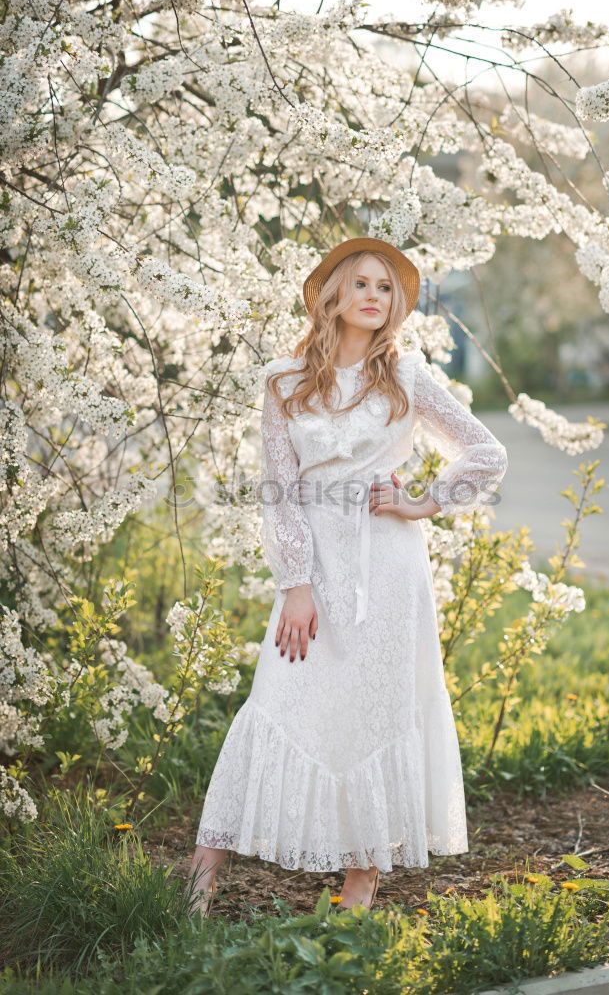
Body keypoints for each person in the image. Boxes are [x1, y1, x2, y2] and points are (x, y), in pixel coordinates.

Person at [186, 236, 508, 917]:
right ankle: (199, 879)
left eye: (385, 288)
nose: (373, 295)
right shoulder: (283, 379)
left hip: (387, 570)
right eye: (360, 282)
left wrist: (422, 501)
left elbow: (484, 450)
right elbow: (279, 488)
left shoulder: (409, 376)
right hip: (315, 568)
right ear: (331, 294)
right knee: (278, 699)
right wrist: (294, 584)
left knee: (376, 711)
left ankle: (358, 889)